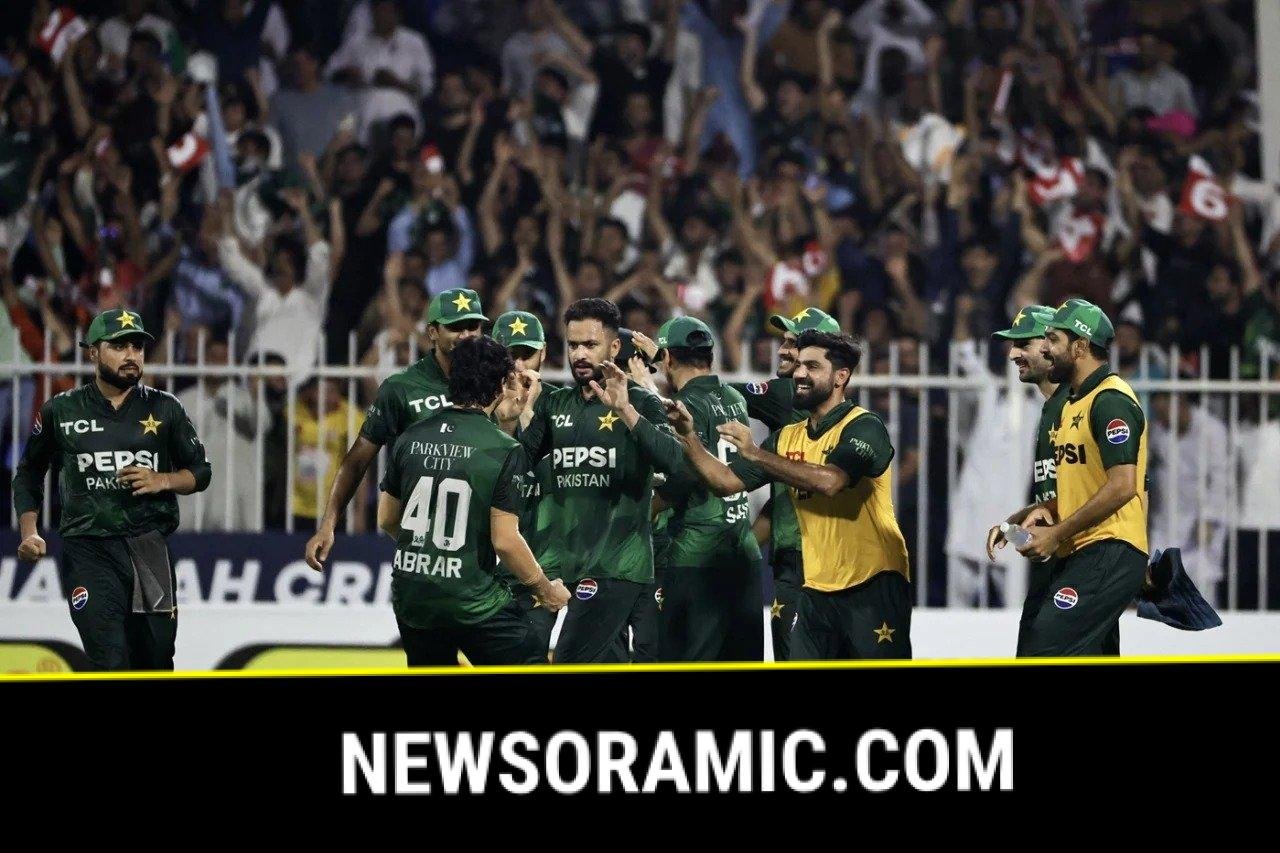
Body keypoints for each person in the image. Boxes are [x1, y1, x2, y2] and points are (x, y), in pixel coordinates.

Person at [667, 330, 912, 660]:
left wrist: (756, 454)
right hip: (814, 588)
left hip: (872, 584)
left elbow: (830, 482)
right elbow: (725, 481)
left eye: (813, 366)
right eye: (799, 365)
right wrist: (689, 437)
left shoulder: (864, 426)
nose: (799, 373)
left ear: (841, 377)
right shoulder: (786, 438)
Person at [11, 309, 211, 670]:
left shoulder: (165, 408)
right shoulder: (62, 410)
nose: (131, 355)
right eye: (119, 346)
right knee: (110, 660)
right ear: (93, 353)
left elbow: (201, 472)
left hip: (149, 547)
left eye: (137, 346)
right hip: (88, 549)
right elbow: (28, 473)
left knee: (155, 662)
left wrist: (163, 479)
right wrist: (30, 532)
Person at [377, 336, 569, 666]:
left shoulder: (410, 436)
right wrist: (545, 589)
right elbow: (505, 541)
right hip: (471, 598)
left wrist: (431, 554)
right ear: (501, 384)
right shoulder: (503, 448)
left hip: (412, 596)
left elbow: (387, 519)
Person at [514, 297, 684, 663]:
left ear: (614, 347)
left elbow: (675, 461)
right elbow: (519, 464)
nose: (579, 354)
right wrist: (518, 411)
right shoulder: (555, 404)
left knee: (569, 660)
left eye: (590, 345)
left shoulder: (642, 401)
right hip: (563, 562)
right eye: (573, 345)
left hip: (615, 565)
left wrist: (625, 410)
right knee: (530, 654)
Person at [304, 288, 486, 570]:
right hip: (425, 546)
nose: (465, 335)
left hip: (483, 539)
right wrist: (328, 524)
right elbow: (357, 460)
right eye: (455, 327)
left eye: (472, 326)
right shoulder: (402, 389)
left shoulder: (496, 383)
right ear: (433, 332)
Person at [1013, 301, 1151, 656]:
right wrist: (1038, 513)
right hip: (1087, 550)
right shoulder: (1075, 403)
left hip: (1108, 548)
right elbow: (1087, 485)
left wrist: (1057, 533)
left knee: (1043, 647)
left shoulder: (1110, 399)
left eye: (1053, 340)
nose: (1046, 348)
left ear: (1080, 347)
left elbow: (1125, 485)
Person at [729, 306, 839, 660]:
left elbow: (715, 395)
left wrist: (670, 363)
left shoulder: (786, 394)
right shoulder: (848, 418)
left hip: (802, 563)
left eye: (793, 343)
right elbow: (787, 496)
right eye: (784, 341)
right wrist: (744, 547)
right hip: (831, 558)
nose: (782, 350)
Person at [650, 316, 762, 661]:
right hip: (742, 554)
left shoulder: (682, 407)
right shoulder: (734, 398)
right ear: (710, 356)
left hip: (695, 555)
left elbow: (681, 479)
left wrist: (642, 509)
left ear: (667, 358)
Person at [946, 304, 1057, 608]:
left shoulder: (1043, 407)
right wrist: (962, 314)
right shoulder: (989, 393)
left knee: (1015, 604)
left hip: (1013, 519)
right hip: (969, 513)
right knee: (957, 605)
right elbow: (964, 354)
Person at [492, 309, 559, 656]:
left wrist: (530, 413)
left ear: (543, 354)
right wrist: (505, 423)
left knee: (527, 653)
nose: (518, 365)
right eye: (510, 355)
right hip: (484, 566)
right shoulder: (479, 408)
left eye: (526, 354)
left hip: (539, 559)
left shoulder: (562, 407)